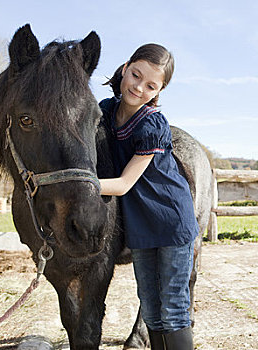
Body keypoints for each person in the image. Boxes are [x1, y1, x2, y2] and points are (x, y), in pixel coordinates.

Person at [98, 43, 197, 349]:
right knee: (151, 310)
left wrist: (75, 184)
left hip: (170, 220)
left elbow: (125, 183)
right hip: (141, 225)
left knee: (173, 308)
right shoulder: (105, 110)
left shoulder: (152, 123)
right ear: (126, 67)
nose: (138, 87)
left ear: (158, 91)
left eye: (150, 85)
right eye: (136, 75)